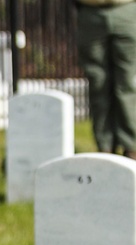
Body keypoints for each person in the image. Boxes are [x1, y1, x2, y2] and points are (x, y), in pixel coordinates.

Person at [75, 0, 136, 160]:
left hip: (126, 9)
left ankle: (132, 148)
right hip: (90, 11)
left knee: (128, 84)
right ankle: (104, 149)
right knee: (98, 85)